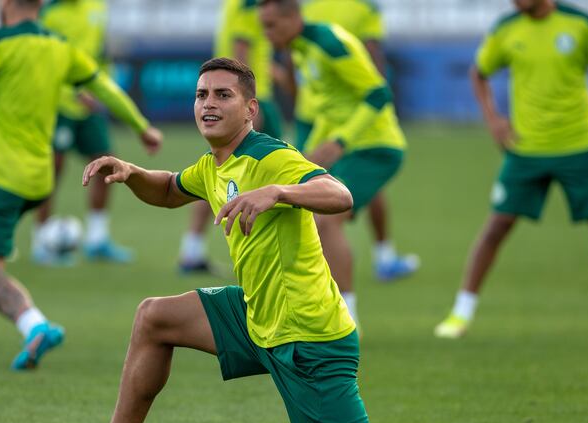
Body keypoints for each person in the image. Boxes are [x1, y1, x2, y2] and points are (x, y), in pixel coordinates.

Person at [31, 58, 565, 423]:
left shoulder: (271, 156)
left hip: (308, 338)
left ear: (250, 108)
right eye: (201, 95)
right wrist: (131, 174)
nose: (208, 103)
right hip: (258, 315)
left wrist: (280, 192)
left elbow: (340, 194)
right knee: (155, 317)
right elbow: (171, 189)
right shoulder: (216, 164)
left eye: (222, 95)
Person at [0, 0, 162, 369]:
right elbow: (105, 88)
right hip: (38, 180)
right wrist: (142, 126)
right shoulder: (59, 46)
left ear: (4, 4)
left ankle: (34, 325)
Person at [435, 0, 588, 339]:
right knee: (496, 226)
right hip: (526, 149)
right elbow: (479, 73)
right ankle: (461, 312)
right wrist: (493, 120)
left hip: (581, 146)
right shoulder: (506, 28)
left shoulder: (580, 23)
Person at [257, 0, 409, 325]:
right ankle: (308, 307)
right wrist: (306, 154)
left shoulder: (330, 43)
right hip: (349, 146)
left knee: (327, 220)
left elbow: (378, 94)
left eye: (271, 26)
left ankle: (346, 318)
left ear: (294, 17)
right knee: (298, 216)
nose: (266, 34)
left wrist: (340, 142)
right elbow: (330, 105)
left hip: (375, 147)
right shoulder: (300, 47)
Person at [298, 0, 419, 282]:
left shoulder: (310, 11)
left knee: (326, 209)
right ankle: (383, 256)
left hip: (338, 121)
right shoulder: (362, 8)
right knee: (323, 205)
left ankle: (351, 289)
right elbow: (374, 56)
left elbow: (374, 85)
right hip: (333, 121)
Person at [178, 0, 284, 273]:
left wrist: (277, 74)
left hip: (257, 100)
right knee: (244, 172)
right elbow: (240, 56)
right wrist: (245, 111)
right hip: (255, 103)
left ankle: (193, 247)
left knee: (222, 172)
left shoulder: (237, 5)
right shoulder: (248, 7)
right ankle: (195, 247)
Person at [32, 0, 139, 265]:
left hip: (89, 107)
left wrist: (103, 88)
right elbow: (41, 65)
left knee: (106, 163)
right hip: (58, 105)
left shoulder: (96, 7)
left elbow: (101, 54)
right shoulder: (48, 13)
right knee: (51, 170)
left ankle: (97, 239)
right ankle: (41, 241)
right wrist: (74, 92)